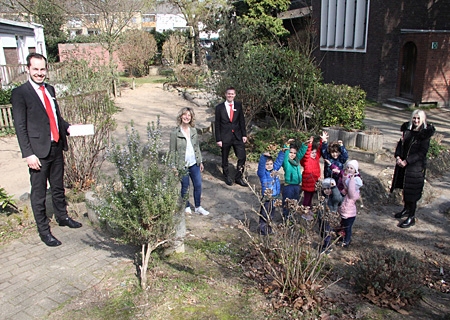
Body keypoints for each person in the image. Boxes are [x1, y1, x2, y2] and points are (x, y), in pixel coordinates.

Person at [11, 53, 82, 247]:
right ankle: (44, 231)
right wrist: (28, 154)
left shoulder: (49, 89)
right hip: (37, 152)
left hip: (56, 146)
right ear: (28, 69)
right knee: (39, 193)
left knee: (58, 187)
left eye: (42, 69)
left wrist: (68, 127)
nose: (39, 73)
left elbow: (56, 117)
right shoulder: (20, 93)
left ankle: (62, 217)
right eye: (35, 69)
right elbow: (20, 127)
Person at [390, 110, 435, 228]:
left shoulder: (424, 135)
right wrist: (398, 157)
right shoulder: (407, 130)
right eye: (414, 118)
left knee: (413, 192)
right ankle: (405, 209)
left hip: (415, 167)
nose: (416, 121)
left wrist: (407, 161)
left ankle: (412, 216)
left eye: (419, 119)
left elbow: (422, 153)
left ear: (423, 120)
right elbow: (401, 144)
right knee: (405, 188)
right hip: (403, 165)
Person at [169, 107, 209, 216]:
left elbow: (196, 147)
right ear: (181, 116)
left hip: (194, 163)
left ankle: (198, 207)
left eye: (189, 115)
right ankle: (186, 206)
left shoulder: (194, 131)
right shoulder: (175, 133)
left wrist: (200, 161)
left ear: (191, 118)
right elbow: (172, 151)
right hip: (182, 164)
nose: (187, 117)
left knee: (198, 185)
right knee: (185, 186)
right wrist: (173, 166)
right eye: (185, 115)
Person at [215, 87, 248, 187]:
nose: (230, 95)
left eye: (232, 94)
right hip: (225, 136)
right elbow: (217, 124)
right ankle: (227, 176)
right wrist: (218, 139)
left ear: (235, 95)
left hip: (237, 135)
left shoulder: (238, 105)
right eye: (229, 94)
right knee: (225, 158)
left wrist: (244, 134)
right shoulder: (219, 107)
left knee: (242, 156)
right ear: (225, 94)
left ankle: (238, 177)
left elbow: (241, 120)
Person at [279, 138, 307, 219]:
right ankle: (286, 217)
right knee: (287, 203)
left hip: (297, 186)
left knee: (295, 202)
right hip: (289, 186)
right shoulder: (286, 162)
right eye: (291, 152)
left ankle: (292, 217)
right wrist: (287, 145)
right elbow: (285, 154)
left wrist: (305, 145)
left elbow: (301, 153)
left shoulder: (296, 161)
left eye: (294, 153)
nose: (292, 154)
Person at [256, 152, 284, 235]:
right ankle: (263, 230)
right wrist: (264, 157)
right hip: (267, 198)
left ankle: (268, 229)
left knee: (271, 215)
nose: (269, 166)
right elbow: (261, 166)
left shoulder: (274, 171)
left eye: (271, 164)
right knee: (265, 214)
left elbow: (279, 162)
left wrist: (282, 152)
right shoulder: (262, 174)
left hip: (275, 197)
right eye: (267, 164)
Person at [338, 160, 363, 248]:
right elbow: (345, 185)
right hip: (345, 210)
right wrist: (345, 176)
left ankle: (347, 241)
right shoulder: (349, 178)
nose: (349, 169)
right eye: (348, 167)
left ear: (355, 170)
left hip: (350, 212)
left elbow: (351, 192)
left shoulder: (355, 180)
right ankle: (342, 237)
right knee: (343, 226)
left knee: (347, 228)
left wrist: (351, 179)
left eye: (351, 168)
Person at [300, 135, 323, 220]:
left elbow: (319, 150)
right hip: (307, 182)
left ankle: (308, 210)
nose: (313, 154)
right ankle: (305, 212)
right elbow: (306, 154)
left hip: (314, 182)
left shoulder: (316, 158)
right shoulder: (306, 160)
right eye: (312, 153)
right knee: (306, 198)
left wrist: (322, 141)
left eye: (314, 153)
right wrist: (309, 144)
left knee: (310, 198)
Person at [318, 178, 342, 254]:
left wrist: (334, 188)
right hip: (322, 218)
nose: (327, 190)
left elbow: (338, 197)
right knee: (322, 232)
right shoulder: (323, 197)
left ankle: (327, 247)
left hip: (330, 219)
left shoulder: (333, 199)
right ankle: (325, 244)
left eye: (329, 188)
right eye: (325, 189)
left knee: (327, 233)